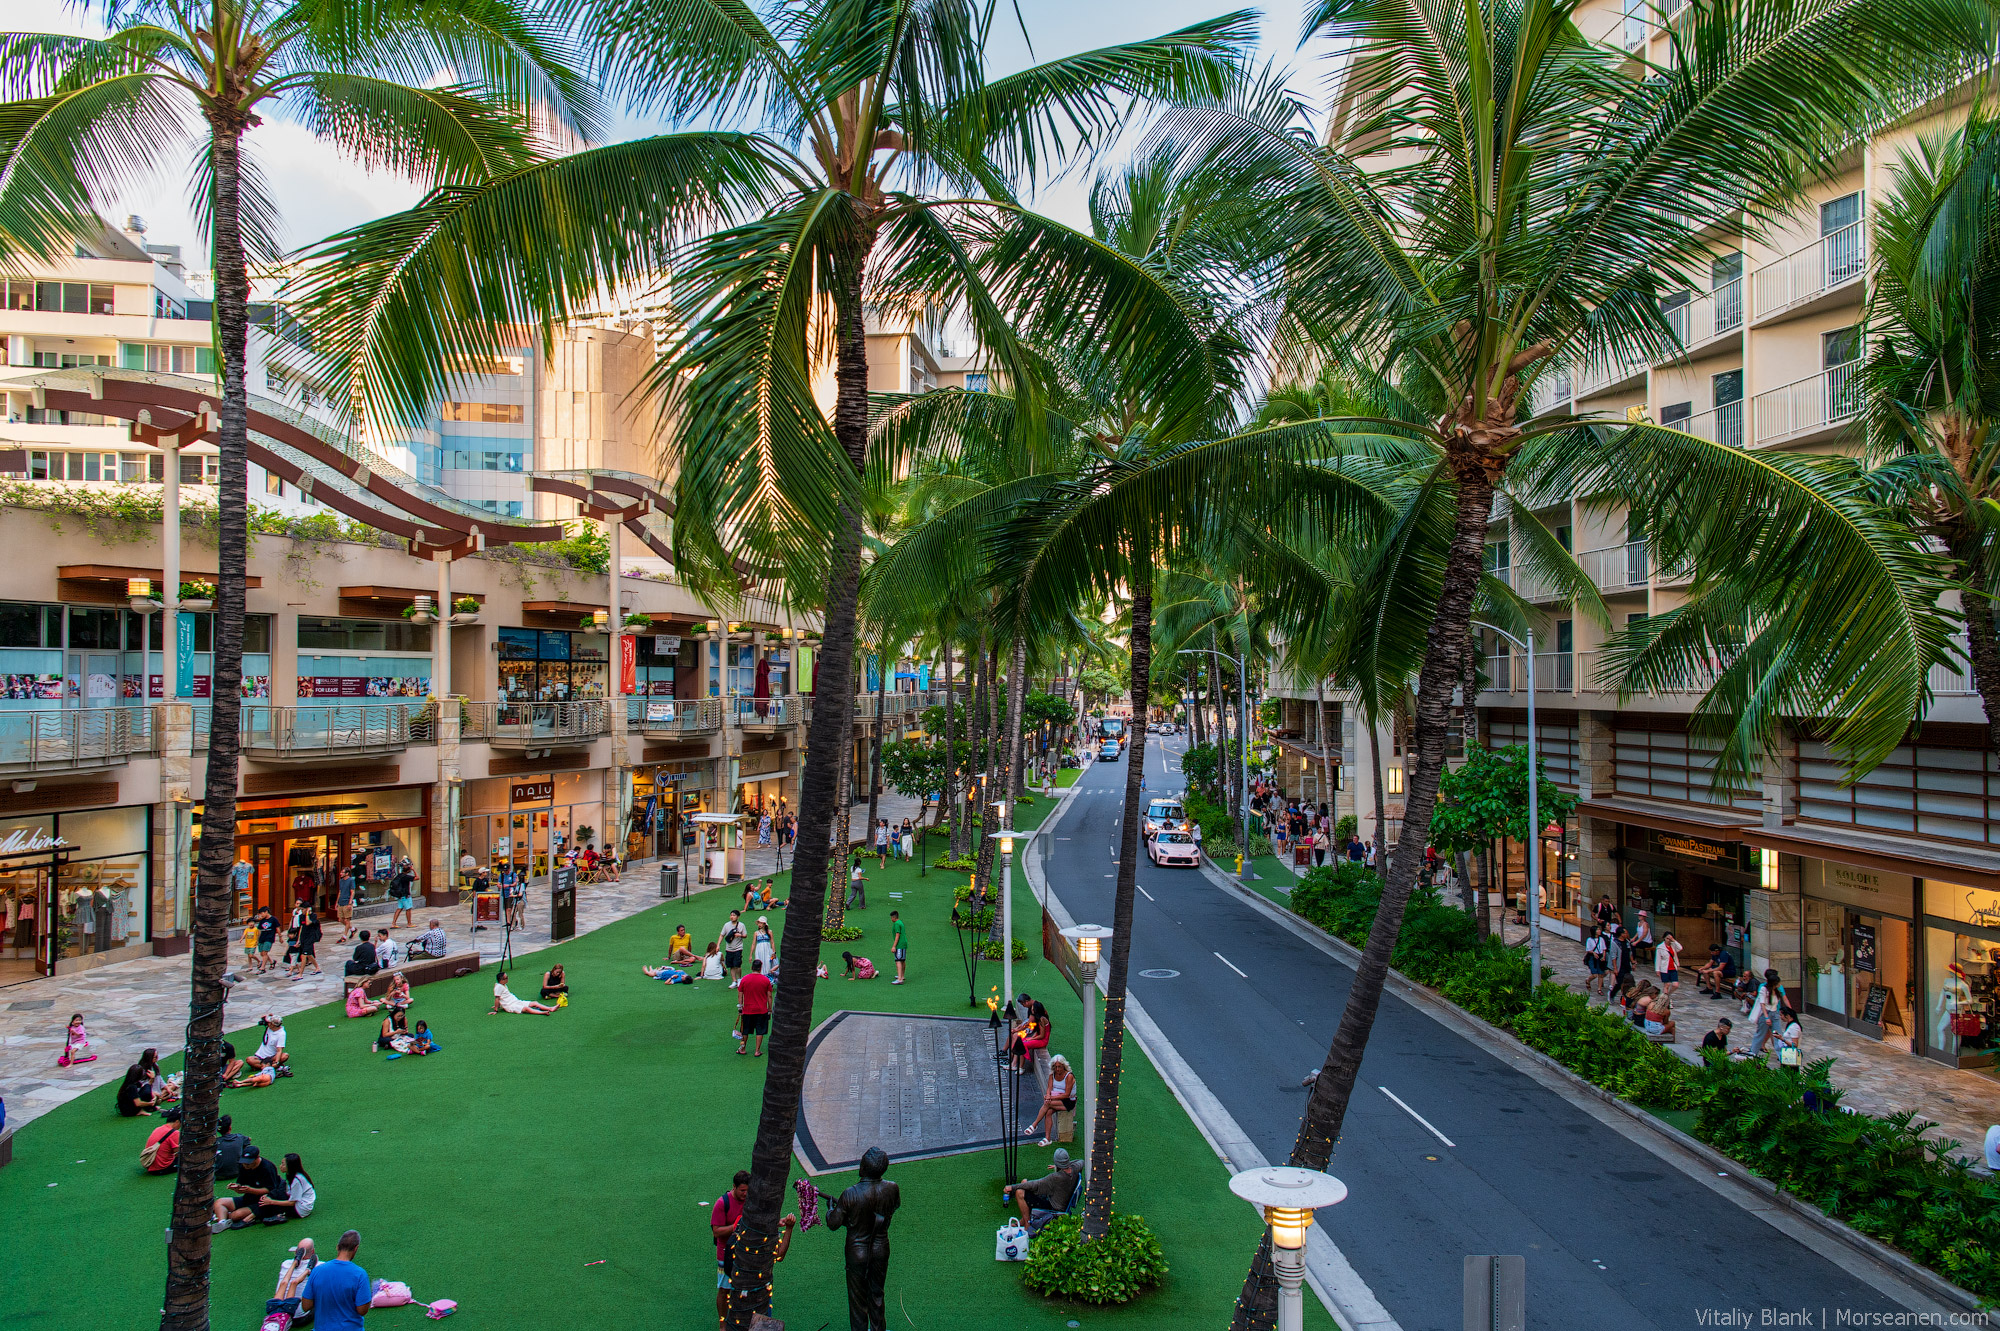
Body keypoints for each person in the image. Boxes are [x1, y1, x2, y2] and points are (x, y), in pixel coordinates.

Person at [299, 1230, 372, 1331]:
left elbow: (306, 1306)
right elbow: (362, 1311)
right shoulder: (360, 1274)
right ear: (356, 1248)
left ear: (338, 1247)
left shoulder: (316, 1271)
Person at [1004, 1148, 1081, 1234]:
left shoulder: (1056, 1178)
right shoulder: (1075, 1169)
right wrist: (1061, 1165)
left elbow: (1035, 1185)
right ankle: (1023, 1220)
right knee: (1024, 1182)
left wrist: (1012, 1187)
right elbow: (1081, 1161)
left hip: (1054, 1207)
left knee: (1019, 1192)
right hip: (1063, 1201)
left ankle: (1027, 1225)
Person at [211, 1143, 287, 1228]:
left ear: (257, 1158)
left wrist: (250, 1190)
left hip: (261, 1202)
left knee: (236, 1215)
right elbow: (241, 1183)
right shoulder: (243, 1166)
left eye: (248, 1163)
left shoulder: (268, 1168)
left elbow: (270, 1190)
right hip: (247, 1198)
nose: (245, 1165)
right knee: (219, 1202)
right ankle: (222, 1223)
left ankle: (226, 1215)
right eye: (244, 1163)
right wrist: (237, 1187)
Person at [712, 1171, 751, 1320]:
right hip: (725, 1253)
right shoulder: (722, 1203)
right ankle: (723, 1324)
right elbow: (716, 1232)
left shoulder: (751, 1200)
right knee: (724, 1289)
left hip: (745, 1252)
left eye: (748, 1190)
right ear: (734, 1187)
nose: (746, 1194)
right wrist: (735, 1225)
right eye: (742, 1190)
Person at [1024, 1054, 1076, 1147]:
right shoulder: (1052, 1075)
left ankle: (1034, 1124)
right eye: (1055, 1067)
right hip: (1056, 1100)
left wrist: (1050, 1098)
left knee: (1047, 1104)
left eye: (1059, 1066)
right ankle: (1047, 1138)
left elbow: (1067, 1095)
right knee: (1048, 1112)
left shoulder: (1069, 1076)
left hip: (1068, 1101)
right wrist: (1048, 1095)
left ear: (1064, 1066)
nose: (1058, 1069)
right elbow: (1049, 1088)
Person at [269, 1237, 319, 1327]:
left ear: (296, 1251)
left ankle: (296, 1262)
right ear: (313, 1251)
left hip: (275, 1312)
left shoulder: (285, 1263)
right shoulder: (320, 1266)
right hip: (294, 1316)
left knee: (285, 1283)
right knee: (294, 1283)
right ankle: (308, 1270)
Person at [260, 1153, 317, 1220]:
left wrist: (271, 1201)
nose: (280, 1166)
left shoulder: (296, 1180)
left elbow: (292, 1203)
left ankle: (251, 1218)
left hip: (300, 1209)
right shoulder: (292, 1175)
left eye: (283, 1164)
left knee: (272, 1201)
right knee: (276, 1191)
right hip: (302, 1204)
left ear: (290, 1166)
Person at [737, 959, 774, 1056]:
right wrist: (770, 1009)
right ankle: (757, 1050)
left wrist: (740, 1007)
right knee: (760, 1030)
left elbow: (740, 995)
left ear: (751, 968)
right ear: (760, 968)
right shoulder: (766, 980)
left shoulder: (744, 979)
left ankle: (743, 1048)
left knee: (745, 1030)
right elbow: (769, 996)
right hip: (761, 1010)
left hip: (748, 1010)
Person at [490, 970, 557, 1015]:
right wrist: (496, 1009)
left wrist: (498, 1005)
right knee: (526, 1009)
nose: (508, 979)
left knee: (534, 1003)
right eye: (506, 978)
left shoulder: (503, 985)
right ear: (501, 980)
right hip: (510, 1005)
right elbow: (497, 998)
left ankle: (550, 1008)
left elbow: (501, 998)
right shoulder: (498, 987)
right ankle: (543, 1012)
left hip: (516, 1001)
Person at [214, 1114, 251, 1184]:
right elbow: (249, 1140)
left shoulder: (215, 1142)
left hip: (218, 1175)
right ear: (230, 1127)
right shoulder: (239, 1137)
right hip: (237, 1172)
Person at [142, 1109, 181, 1174]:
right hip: (163, 1167)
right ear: (177, 1122)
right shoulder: (175, 1133)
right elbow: (178, 1153)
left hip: (150, 1165)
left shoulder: (158, 1129)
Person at [720, 910, 748, 984]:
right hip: (729, 948)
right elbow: (722, 935)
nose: (732, 917)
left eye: (734, 915)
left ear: (738, 917)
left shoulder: (741, 925)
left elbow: (745, 935)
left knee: (737, 964)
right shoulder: (726, 925)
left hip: (738, 948)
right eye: (731, 915)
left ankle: (739, 979)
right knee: (731, 965)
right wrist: (718, 945)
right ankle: (734, 981)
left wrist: (740, 935)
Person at [1655, 929, 1683, 996]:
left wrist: (1674, 940)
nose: (1668, 940)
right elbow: (1658, 959)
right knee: (1666, 984)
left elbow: (1680, 948)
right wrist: (1657, 970)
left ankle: (1668, 995)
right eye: (1667, 938)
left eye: (1670, 938)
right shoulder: (1660, 947)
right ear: (1664, 938)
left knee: (1675, 985)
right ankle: (1665, 999)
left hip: (1673, 967)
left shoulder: (1673, 945)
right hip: (1665, 968)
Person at [1582, 927, 1609, 998]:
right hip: (1592, 957)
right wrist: (1593, 953)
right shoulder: (1589, 940)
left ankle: (1599, 989)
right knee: (1594, 974)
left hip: (1600, 957)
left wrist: (1603, 956)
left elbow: (1604, 949)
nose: (1599, 931)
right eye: (1598, 930)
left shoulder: (1601, 939)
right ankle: (1588, 980)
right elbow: (1588, 949)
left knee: (1601, 974)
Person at [335, 867, 359, 942]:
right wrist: (337, 902)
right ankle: (352, 929)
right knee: (341, 919)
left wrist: (350, 903)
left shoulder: (351, 880)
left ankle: (344, 936)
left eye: (342, 872)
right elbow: (340, 892)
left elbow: (352, 892)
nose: (341, 873)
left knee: (347, 919)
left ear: (347, 873)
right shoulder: (341, 881)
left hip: (347, 902)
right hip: (341, 902)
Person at [390, 860, 416, 929]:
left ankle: (393, 923)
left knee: (399, 908)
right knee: (408, 909)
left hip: (400, 895)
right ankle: (409, 923)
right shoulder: (406, 877)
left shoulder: (399, 875)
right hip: (405, 895)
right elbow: (417, 878)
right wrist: (413, 870)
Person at [254, 907, 279, 972]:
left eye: (261, 913)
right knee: (262, 953)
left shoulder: (273, 919)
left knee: (265, 952)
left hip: (269, 937)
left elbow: (277, 927)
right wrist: (257, 939)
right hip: (262, 937)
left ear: (266, 912)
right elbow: (259, 930)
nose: (261, 915)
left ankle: (262, 968)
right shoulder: (262, 920)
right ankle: (272, 962)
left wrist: (280, 936)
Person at [889, 910, 906, 985]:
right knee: (902, 960)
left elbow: (897, 935)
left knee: (898, 960)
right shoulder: (900, 922)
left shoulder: (896, 924)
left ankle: (899, 979)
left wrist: (894, 946)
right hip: (903, 944)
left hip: (899, 945)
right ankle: (901, 976)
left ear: (893, 917)